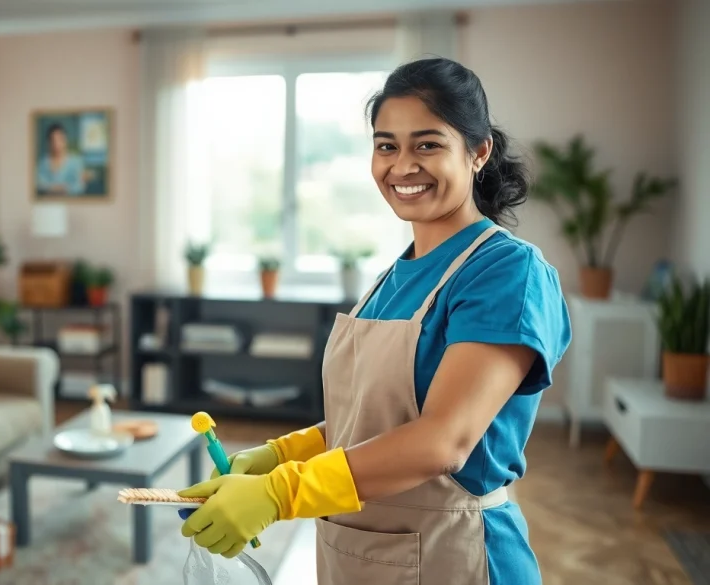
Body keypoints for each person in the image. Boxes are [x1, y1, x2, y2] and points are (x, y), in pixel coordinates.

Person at [177, 57, 572, 585]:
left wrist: (281, 492)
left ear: (479, 152)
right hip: (357, 554)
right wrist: (276, 456)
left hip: (457, 557)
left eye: (427, 144)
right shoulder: (392, 278)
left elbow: (443, 440)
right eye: (387, 145)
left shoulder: (506, 271)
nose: (402, 165)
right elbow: (367, 422)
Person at [36, 123, 86, 195]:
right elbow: (39, 184)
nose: (56, 144)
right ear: (49, 143)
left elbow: (79, 186)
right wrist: (54, 188)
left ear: (65, 140)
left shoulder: (76, 161)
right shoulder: (43, 163)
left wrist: (64, 188)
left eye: (59, 139)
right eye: (53, 140)